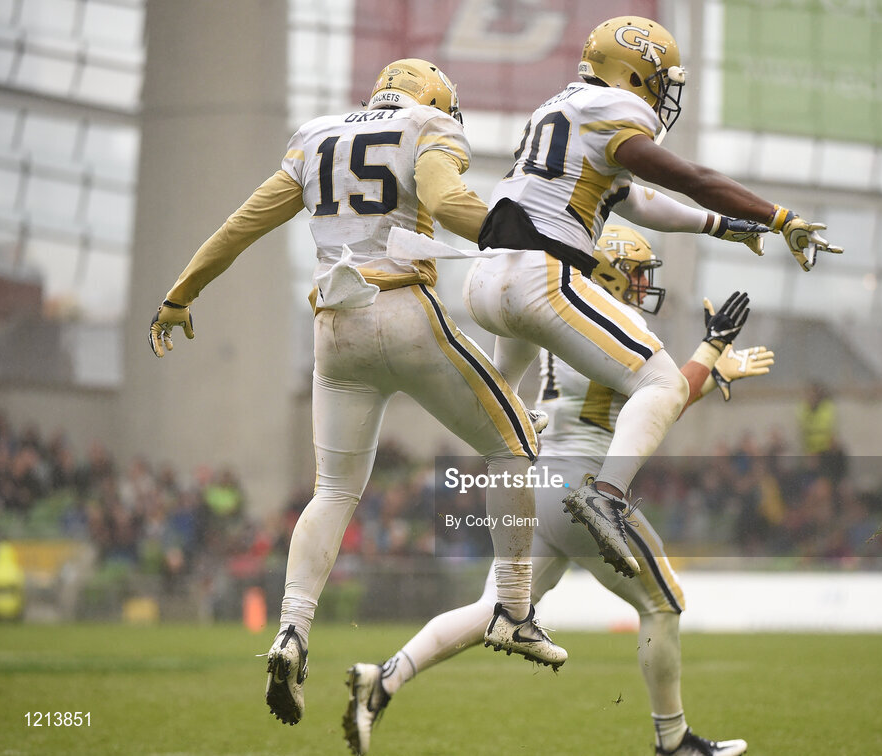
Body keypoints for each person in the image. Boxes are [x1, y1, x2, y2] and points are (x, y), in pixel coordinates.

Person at [146, 58, 566, 727]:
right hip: (400, 308)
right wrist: (530, 240)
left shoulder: (316, 135)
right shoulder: (427, 125)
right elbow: (445, 200)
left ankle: (291, 632)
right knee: (514, 438)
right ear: (431, 100)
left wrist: (180, 294)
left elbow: (242, 224)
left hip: (332, 327)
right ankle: (513, 611)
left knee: (334, 491)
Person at [344, 225, 773, 756]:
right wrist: (709, 351)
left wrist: (712, 373)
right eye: (637, 273)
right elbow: (662, 392)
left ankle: (383, 679)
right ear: (612, 270)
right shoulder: (614, 327)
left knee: (493, 610)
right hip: (586, 489)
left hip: (541, 485)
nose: (642, 285)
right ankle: (673, 741)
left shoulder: (555, 321)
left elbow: (648, 399)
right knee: (664, 604)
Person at [459, 15, 841, 578]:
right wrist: (776, 215)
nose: (663, 93)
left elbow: (633, 200)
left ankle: (509, 600)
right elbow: (687, 176)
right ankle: (606, 496)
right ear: (634, 72)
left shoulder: (561, 107)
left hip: (486, 278)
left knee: (505, 429)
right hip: (540, 275)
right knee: (661, 383)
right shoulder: (617, 109)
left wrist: (719, 226)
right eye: (659, 79)